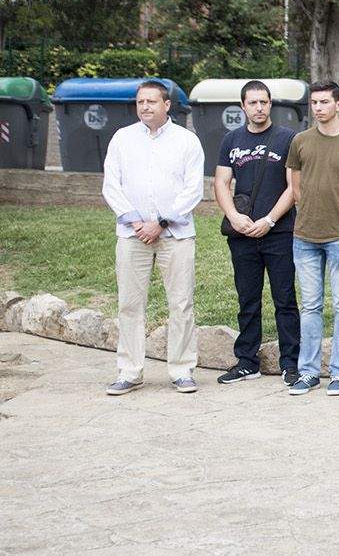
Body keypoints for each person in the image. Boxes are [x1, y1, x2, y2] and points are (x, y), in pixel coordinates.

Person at [100, 80, 205, 395]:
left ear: (167, 104)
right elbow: (111, 185)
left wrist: (160, 222)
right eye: (140, 101)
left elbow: (193, 189)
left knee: (181, 302)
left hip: (176, 234)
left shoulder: (187, 141)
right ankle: (130, 371)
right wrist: (136, 222)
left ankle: (182, 369)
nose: (145, 107)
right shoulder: (122, 139)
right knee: (130, 304)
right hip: (132, 235)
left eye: (152, 101)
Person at [286, 81, 339, 397]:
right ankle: (308, 372)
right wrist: (307, 211)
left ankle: (338, 372)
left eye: (324, 102)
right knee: (310, 305)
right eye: (314, 102)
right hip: (305, 237)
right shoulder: (300, 141)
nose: (319, 107)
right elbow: (295, 186)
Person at [215, 80, 299, 385]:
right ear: (243, 107)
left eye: (264, 102)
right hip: (242, 233)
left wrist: (270, 220)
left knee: (285, 299)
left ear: (270, 104)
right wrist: (234, 217)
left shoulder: (287, 139)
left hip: (279, 232)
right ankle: (247, 361)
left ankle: (291, 363)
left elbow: (294, 186)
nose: (259, 108)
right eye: (253, 103)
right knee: (247, 299)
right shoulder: (231, 140)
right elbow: (221, 183)